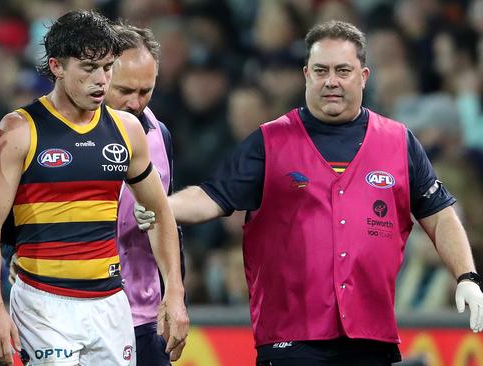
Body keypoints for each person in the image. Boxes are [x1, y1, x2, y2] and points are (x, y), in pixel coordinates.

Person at [135, 20, 483, 366]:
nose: (331, 81)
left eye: (343, 70)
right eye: (321, 70)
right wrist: (161, 205)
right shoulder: (269, 142)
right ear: (306, 75)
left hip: (370, 338)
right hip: (291, 340)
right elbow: (212, 197)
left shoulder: (399, 142)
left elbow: (440, 216)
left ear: (363, 77)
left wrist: (466, 276)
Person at [0, 10, 188, 366]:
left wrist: (175, 294)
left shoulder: (127, 130)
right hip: (44, 302)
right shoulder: (18, 131)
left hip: (111, 303)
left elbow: (160, 210)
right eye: (89, 69)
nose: (100, 80)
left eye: (107, 68)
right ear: (57, 67)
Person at [105, 23, 185, 365]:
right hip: (88, 307)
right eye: (124, 90)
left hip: (145, 315)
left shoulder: (159, 134)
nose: (134, 103)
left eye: (145, 91)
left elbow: (166, 221)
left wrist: (175, 294)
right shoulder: (62, 133)